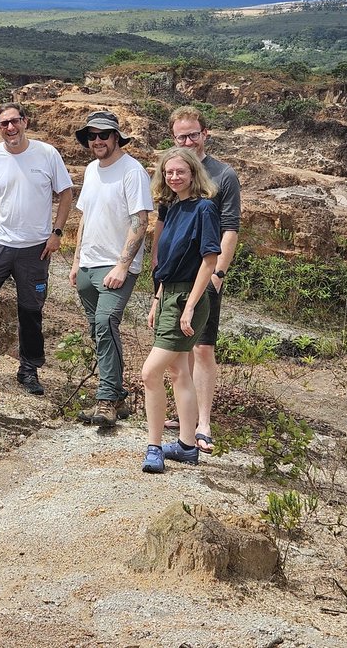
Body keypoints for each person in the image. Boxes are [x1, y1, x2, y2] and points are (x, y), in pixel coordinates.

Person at [0, 103, 73, 394]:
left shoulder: (46, 154)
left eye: (14, 121)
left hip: (35, 247)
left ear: (25, 122)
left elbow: (66, 193)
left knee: (31, 309)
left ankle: (29, 369)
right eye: (3, 123)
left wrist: (56, 233)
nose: (10, 128)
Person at [157, 106, 241, 454]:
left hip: (205, 277)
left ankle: (203, 422)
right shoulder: (174, 171)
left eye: (194, 134)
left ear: (206, 133)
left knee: (203, 348)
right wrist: (157, 273)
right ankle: (186, 418)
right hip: (174, 277)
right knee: (180, 349)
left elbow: (230, 229)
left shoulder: (224, 175)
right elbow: (162, 225)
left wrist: (218, 273)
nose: (188, 141)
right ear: (174, 138)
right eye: (182, 136)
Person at [69, 110, 152, 428]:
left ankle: (105, 402)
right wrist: (77, 261)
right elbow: (86, 218)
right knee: (98, 330)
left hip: (116, 266)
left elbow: (141, 221)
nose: (98, 140)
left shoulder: (132, 171)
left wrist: (122, 265)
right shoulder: (91, 170)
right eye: (92, 135)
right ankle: (117, 394)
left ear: (117, 137)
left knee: (105, 323)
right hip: (89, 264)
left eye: (104, 134)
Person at [141, 147, 221, 473]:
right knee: (178, 373)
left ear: (193, 174)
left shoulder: (204, 209)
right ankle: (187, 446)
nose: (174, 177)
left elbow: (209, 262)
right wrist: (157, 300)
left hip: (188, 299)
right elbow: (170, 265)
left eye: (180, 172)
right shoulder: (173, 209)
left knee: (149, 373)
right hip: (169, 296)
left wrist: (188, 307)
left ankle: (154, 446)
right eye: (169, 172)